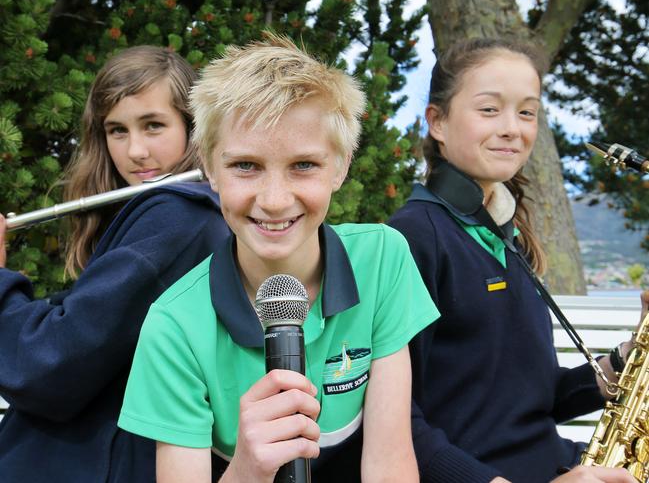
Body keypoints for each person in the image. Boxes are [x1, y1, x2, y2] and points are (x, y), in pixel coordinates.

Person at [117, 34, 439, 483]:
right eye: (245, 166)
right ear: (209, 166)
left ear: (341, 165)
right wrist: (248, 467)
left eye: (303, 165)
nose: (272, 200)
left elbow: (388, 463)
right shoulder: (174, 326)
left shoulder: (383, 258)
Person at [388, 37, 639, 483]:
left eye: (527, 112)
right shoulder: (412, 238)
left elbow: (537, 398)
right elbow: (394, 423)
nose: (513, 128)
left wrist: (630, 358)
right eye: (489, 109)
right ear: (437, 122)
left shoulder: (506, 236)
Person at [0, 45, 230, 483]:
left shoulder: (178, 216)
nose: (136, 151)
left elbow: (51, 363)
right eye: (117, 131)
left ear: (193, 127)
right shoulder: (168, 216)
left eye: (154, 125)